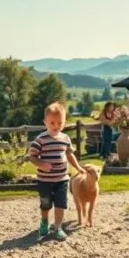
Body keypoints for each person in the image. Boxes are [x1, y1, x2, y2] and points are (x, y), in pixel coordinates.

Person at [28, 102, 86, 240]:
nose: (56, 126)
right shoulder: (40, 139)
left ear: (64, 122)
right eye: (52, 123)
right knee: (46, 204)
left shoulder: (65, 139)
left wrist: (78, 167)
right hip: (44, 180)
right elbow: (32, 157)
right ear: (45, 122)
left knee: (61, 204)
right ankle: (44, 222)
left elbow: (70, 154)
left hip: (62, 180)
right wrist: (41, 163)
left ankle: (58, 227)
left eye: (60, 123)